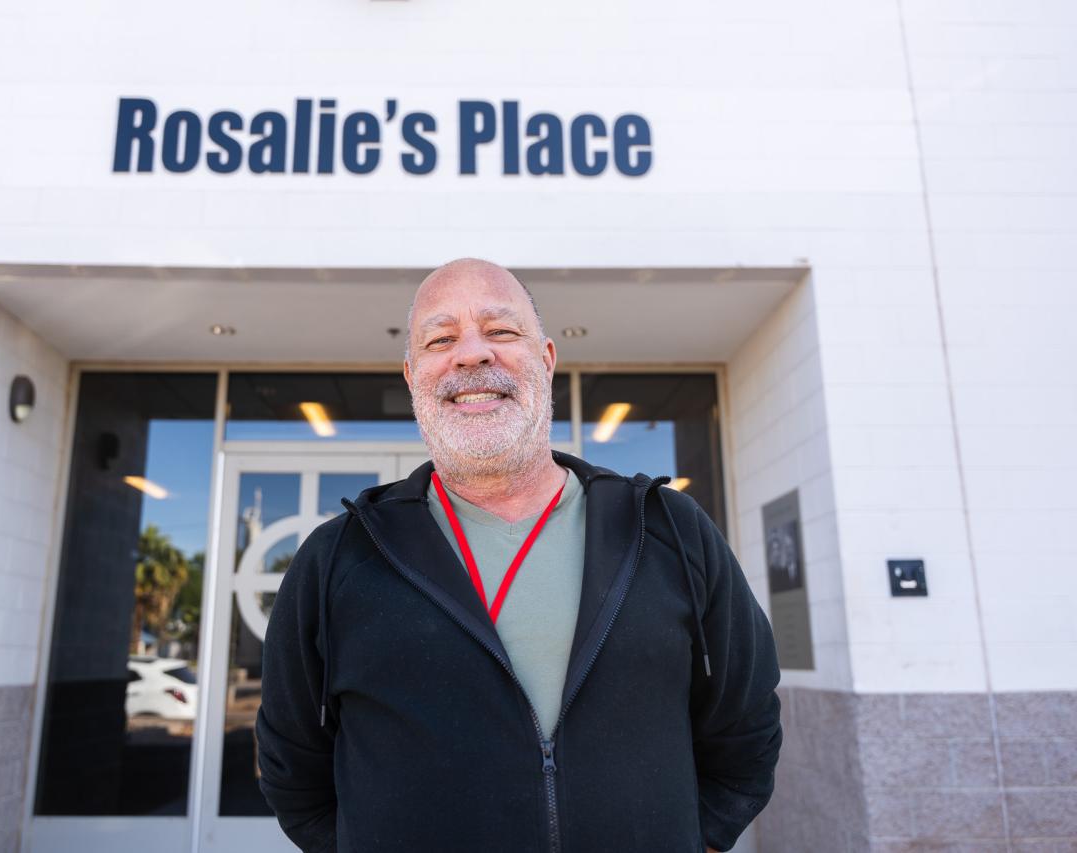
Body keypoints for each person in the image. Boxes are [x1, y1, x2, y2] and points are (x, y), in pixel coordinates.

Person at [256, 259, 782, 852]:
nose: (471, 354)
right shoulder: (337, 559)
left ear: (548, 359)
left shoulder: (666, 529)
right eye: (441, 339)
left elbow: (746, 723)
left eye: (501, 332)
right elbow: (292, 768)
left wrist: (696, 839)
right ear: (412, 375)